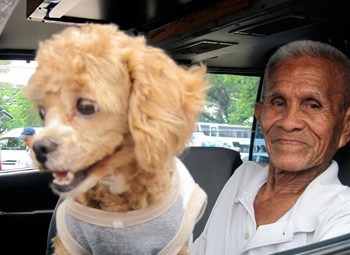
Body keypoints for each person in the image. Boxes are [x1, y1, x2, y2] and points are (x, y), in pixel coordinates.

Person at [190, 40, 350, 254]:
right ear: (260, 114)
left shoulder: (343, 215)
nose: (289, 122)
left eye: (312, 105)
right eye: (278, 102)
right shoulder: (243, 178)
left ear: (345, 128)